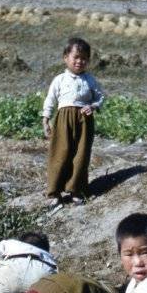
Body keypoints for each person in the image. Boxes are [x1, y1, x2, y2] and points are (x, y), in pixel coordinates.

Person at [42, 37, 105, 207]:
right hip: (63, 120)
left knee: (81, 155)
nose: (80, 61)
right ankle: (54, 192)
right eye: (76, 57)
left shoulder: (90, 80)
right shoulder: (59, 79)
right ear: (65, 58)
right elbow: (50, 99)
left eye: (84, 58)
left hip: (84, 121)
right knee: (60, 153)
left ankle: (76, 190)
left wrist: (93, 106)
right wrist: (46, 119)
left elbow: (100, 97)